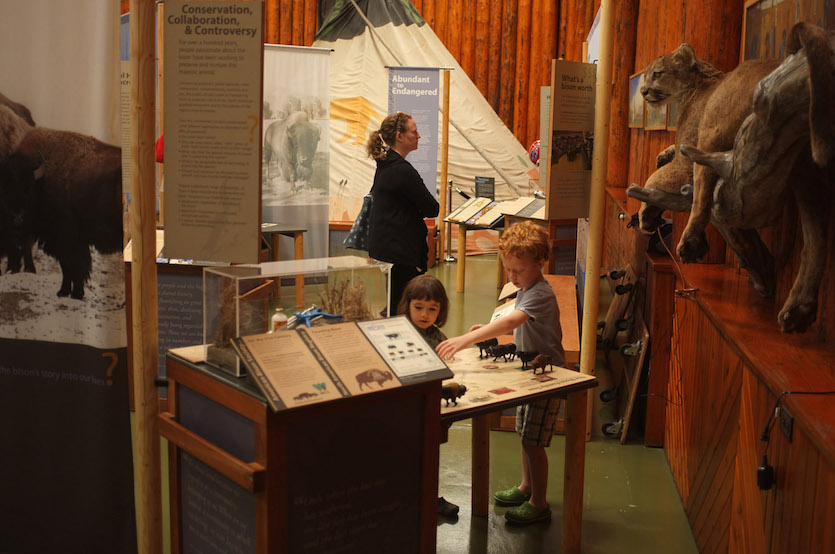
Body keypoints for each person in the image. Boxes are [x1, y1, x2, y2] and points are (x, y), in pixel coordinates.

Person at [436, 221, 565, 525]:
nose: (512, 276)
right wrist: (487, 330)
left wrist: (469, 339)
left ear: (539, 263)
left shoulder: (541, 293)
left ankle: (539, 502)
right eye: (508, 270)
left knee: (534, 442)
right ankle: (526, 486)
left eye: (517, 271)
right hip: (529, 374)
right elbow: (515, 322)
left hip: (549, 377)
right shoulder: (527, 288)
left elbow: (512, 323)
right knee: (524, 434)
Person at [396, 274, 459, 518]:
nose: (424, 314)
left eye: (432, 309)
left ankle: (429, 496)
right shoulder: (398, 333)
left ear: (440, 311)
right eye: (418, 307)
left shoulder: (439, 338)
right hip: (404, 409)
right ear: (407, 305)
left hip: (431, 407)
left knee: (429, 454)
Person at [366, 112, 439, 312]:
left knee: (395, 302)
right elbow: (432, 208)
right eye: (414, 132)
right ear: (399, 136)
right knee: (401, 308)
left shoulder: (385, 164)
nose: (419, 136)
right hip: (400, 252)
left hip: (389, 249)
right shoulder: (402, 170)